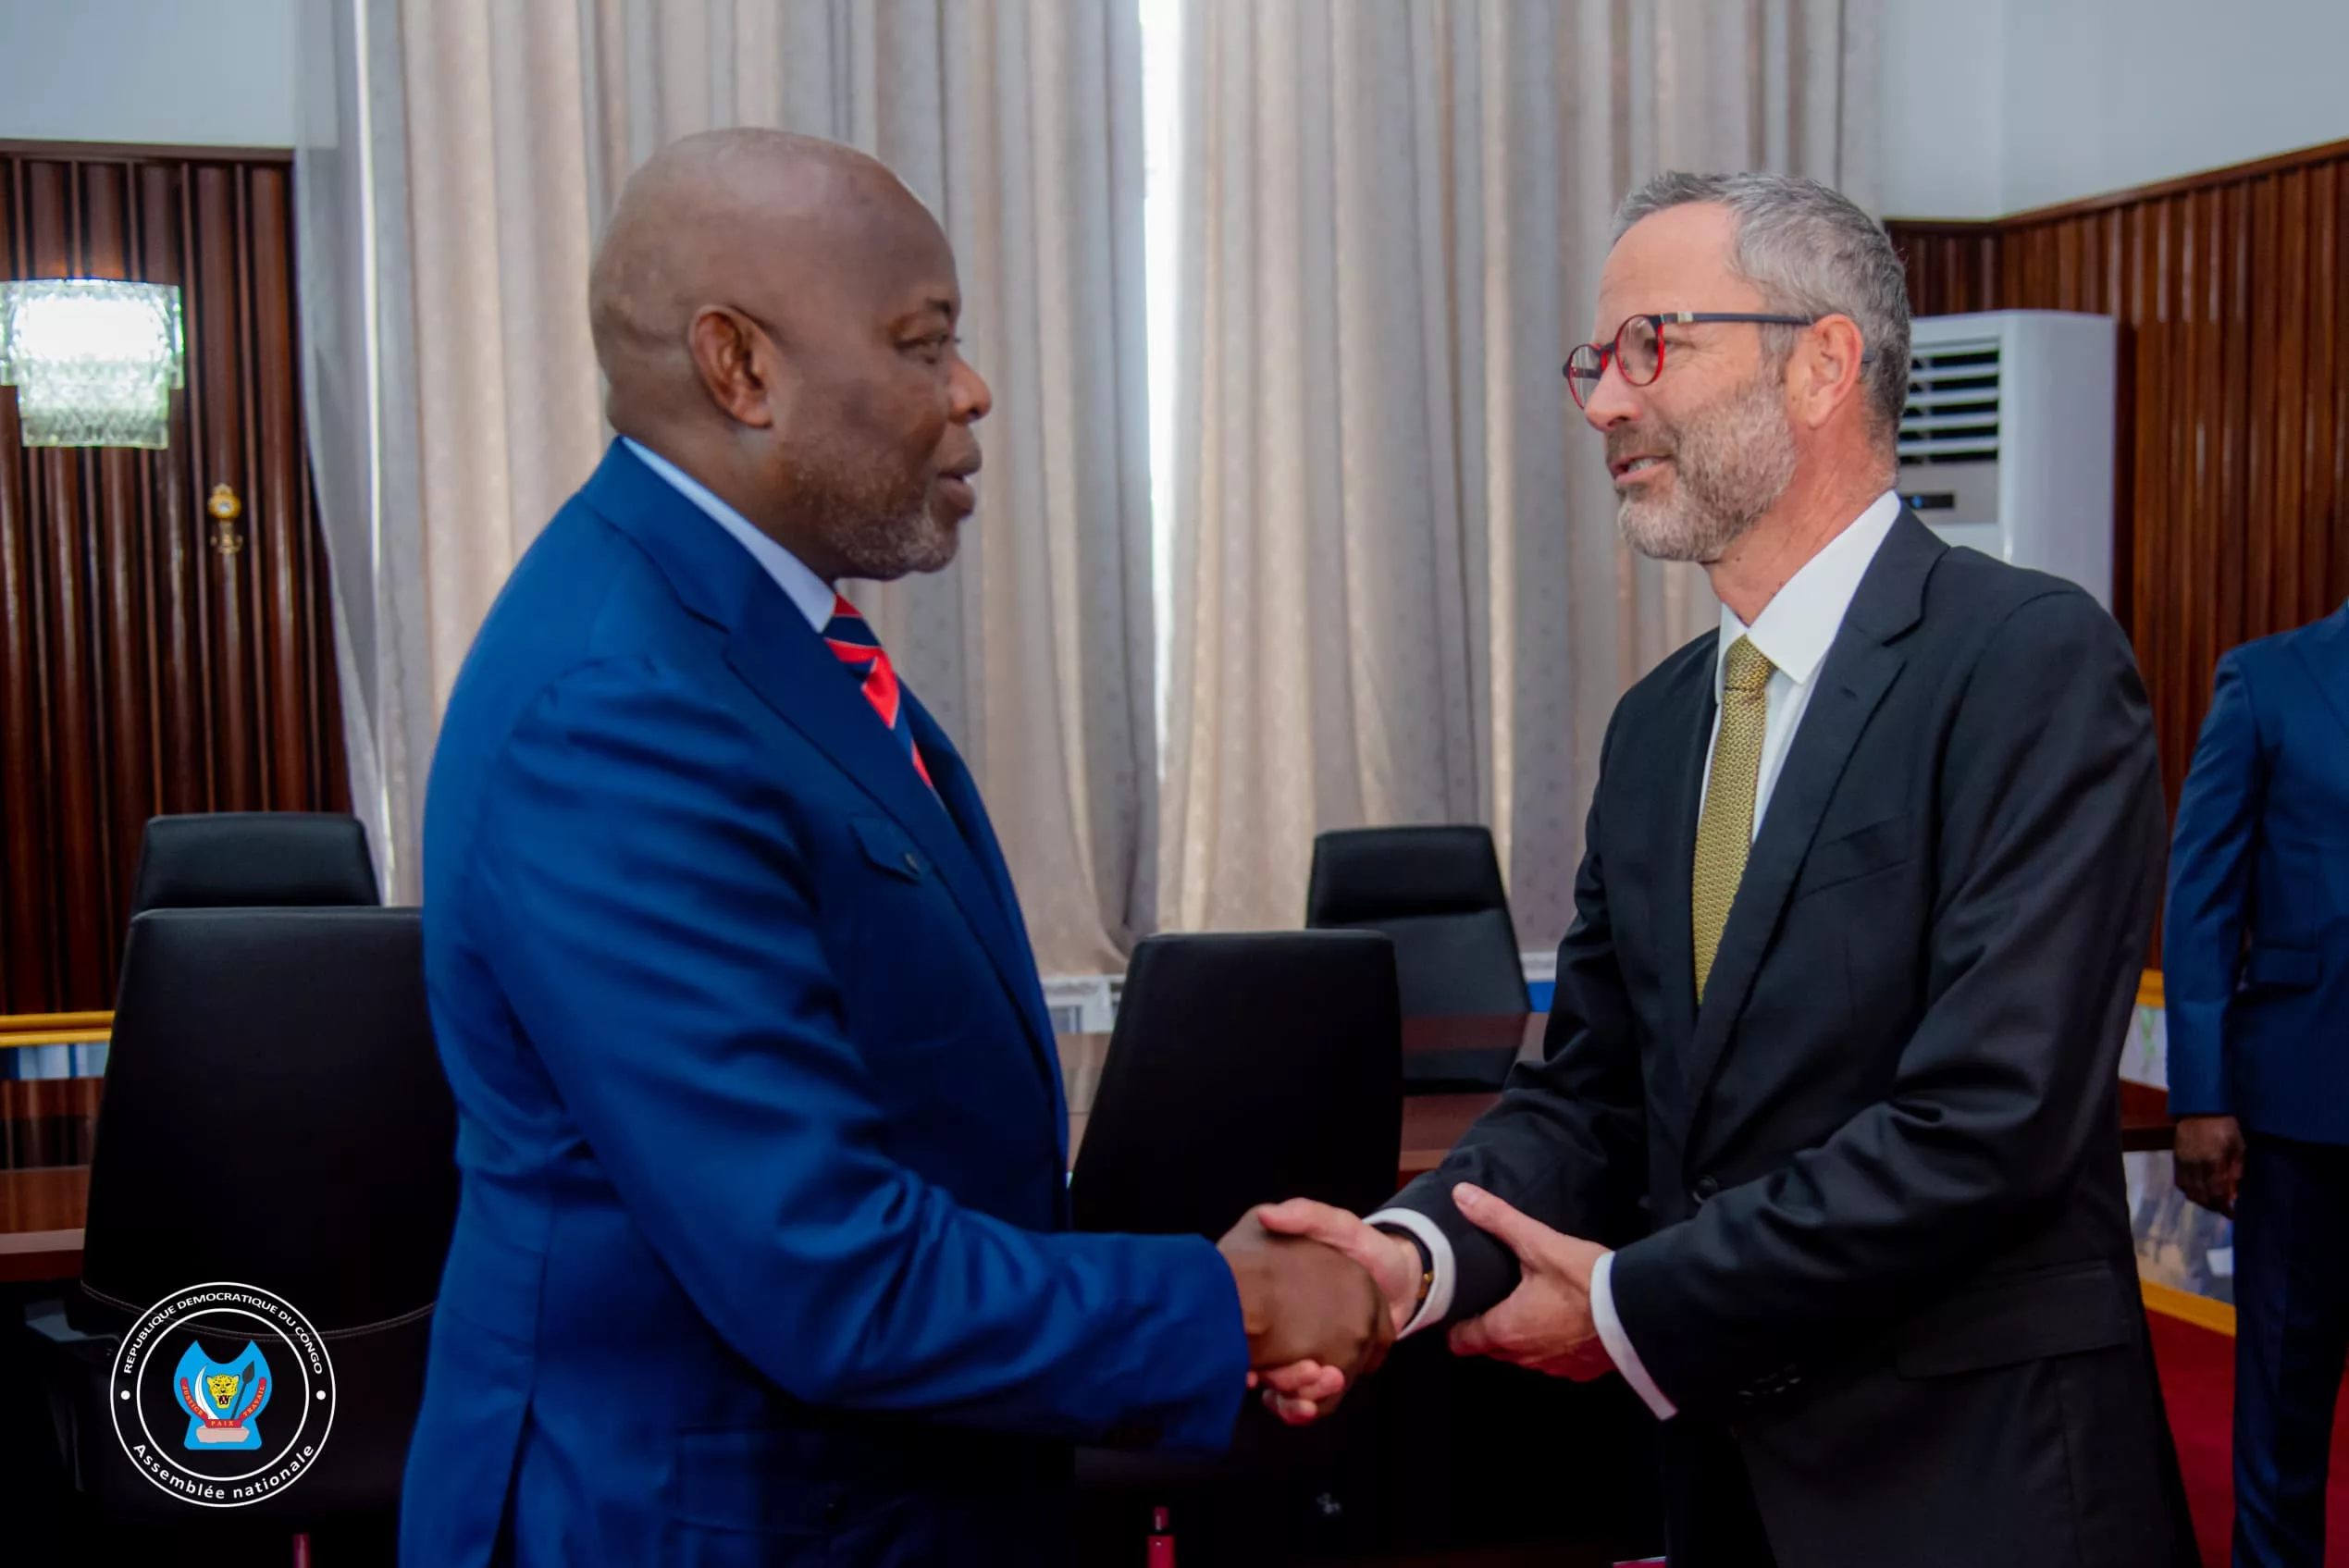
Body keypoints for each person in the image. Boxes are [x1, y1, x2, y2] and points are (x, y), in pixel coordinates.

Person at [399, 129, 1389, 1567]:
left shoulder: (756, 636)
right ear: (740, 368)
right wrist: (1225, 1304)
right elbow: (822, 1267)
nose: (971, 389)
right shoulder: (616, 703)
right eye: (924, 343)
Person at [1258, 171, 2196, 1566]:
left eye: (1653, 346)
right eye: (1594, 359)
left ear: (1821, 362)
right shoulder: (1655, 727)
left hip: (1975, 1487)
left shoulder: (2026, 662)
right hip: (1718, 1487)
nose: (1602, 404)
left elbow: (1982, 1123)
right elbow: (1588, 1096)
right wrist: (1408, 1256)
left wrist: (1632, 1301)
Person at [2166, 598, 2349, 1567]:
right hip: (2301, 1110)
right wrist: (2199, 1093)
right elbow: (2202, 892)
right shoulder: (2266, 678)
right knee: (2283, 1403)